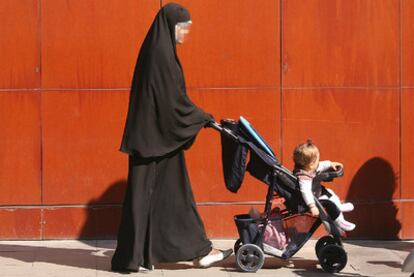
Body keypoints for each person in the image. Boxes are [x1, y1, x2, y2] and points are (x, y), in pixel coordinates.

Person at [111, 3, 232, 273]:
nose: (185, 33)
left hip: (154, 140)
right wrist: (200, 117)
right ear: (170, 26)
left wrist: (197, 117)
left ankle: (142, 256)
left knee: (154, 198)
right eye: (183, 28)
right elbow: (171, 102)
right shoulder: (161, 56)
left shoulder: (157, 51)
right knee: (169, 198)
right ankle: (197, 251)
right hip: (156, 140)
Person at [293, 140, 356, 232]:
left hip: (318, 192)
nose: (318, 162)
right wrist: (312, 206)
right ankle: (341, 222)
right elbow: (305, 191)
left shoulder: (310, 167)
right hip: (312, 199)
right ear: (311, 165)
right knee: (329, 204)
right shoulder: (303, 177)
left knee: (330, 193)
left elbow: (321, 165)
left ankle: (339, 206)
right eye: (317, 160)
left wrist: (331, 164)